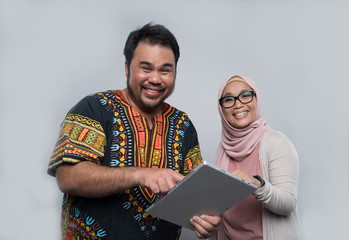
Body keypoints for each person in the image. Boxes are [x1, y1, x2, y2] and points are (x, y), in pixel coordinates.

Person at [48, 23, 220, 240]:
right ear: (128, 68)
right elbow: (68, 177)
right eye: (146, 68)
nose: (155, 79)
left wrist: (206, 220)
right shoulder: (93, 108)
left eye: (165, 70)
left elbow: (194, 196)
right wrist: (140, 174)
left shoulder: (183, 125)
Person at [215, 75, 301, 239]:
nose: (238, 104)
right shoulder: (223, 148)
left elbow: (288, 203)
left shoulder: (276, 142)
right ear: (221, 108)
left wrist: (256, 184)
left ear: (257, 99)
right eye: (228, 99)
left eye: (245, 95)